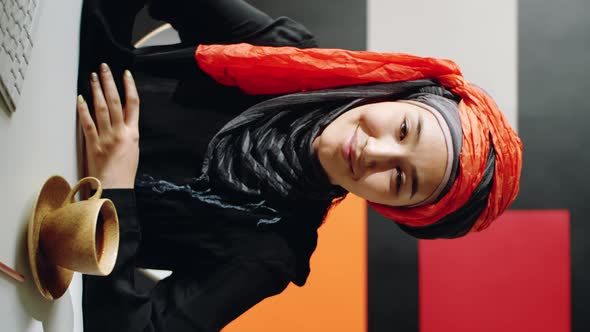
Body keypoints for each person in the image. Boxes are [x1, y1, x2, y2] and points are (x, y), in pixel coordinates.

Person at [77, 0, 523, 331]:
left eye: (401, 180)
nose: (376, 153)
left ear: (391, 207)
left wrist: (113, 190)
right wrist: (82, 60)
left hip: (39, 219)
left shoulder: (271, 249)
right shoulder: (284, 56)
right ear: (397, 95)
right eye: (404, 129)